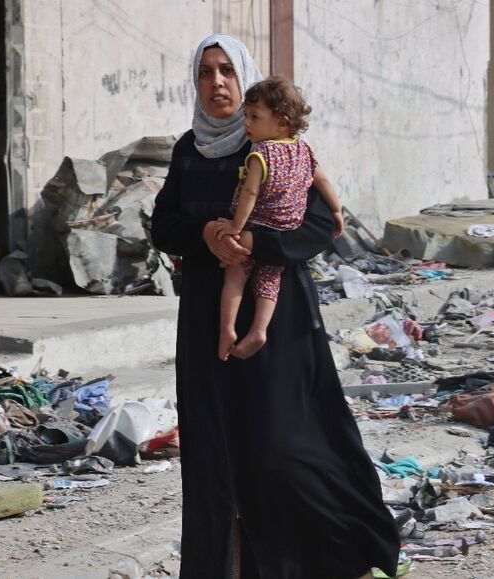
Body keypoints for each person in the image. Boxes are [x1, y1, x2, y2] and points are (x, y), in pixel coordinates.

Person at [150, 34, 400, 579]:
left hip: (277, 314)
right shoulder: (188, 150)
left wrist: (253, 244)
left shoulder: (275, 144)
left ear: (246, 81)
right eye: (206, 73)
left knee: (285, 446)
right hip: (205, 318)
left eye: (227, 73)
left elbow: (318, 226)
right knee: (215, 455)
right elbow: (162, 224)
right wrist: (207, 233)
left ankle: (334, 561)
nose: (217, 83)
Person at [214, 76, 344, 361]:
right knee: (269, 283)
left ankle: (227, 328)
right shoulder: (305, 150)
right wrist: (336, 211)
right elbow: (322, 181)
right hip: (286, 230)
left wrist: (235, 226)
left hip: (257, 224)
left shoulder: (261, 154)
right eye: (246, 116)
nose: (246, 123)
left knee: (235, 274)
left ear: (282, 122)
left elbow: (249, 193)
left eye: (254, 117)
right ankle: (259, 330)